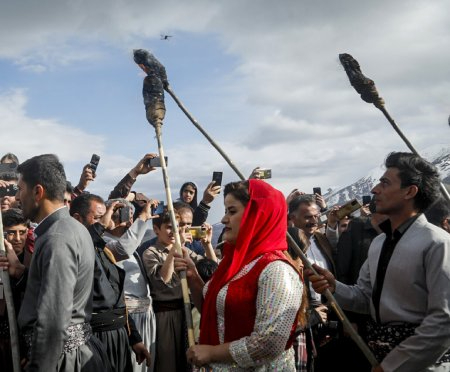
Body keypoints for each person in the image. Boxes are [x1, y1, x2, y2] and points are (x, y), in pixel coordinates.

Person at [308, 152, 450, 372]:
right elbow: (365, 298)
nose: (375, 190)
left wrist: (394, 365)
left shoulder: (438, 243)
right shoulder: (379, 243)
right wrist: (335, 287)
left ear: (410, 192)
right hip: (379, 358)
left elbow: (443, 321)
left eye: (385, 183)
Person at [175, 179, 304, 370]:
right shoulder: (233, 263)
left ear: (257, 215)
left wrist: (211, 352)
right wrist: (193, 276)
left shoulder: (276, 270)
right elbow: (216, 313)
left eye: (232, 211)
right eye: (226, 211)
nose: (224, 219)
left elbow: (269, 342)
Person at [1, 154, 109, 371]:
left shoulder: (56, 238)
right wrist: (23, 273)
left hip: (63, 361)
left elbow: (53, 320)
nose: (18, 197)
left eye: (20, 189)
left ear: (38, 192)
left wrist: (39, 364)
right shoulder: (69, 229)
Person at [70, 194, 152, 372]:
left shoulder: (104, 251)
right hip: (94, 339)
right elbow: (82, 241)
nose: (105, 222)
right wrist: (101, 226)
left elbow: (118, 300)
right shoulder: (73, 249)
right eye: (99, 218)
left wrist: (134, 338)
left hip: (119, 337)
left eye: (106, 216)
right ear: (77, 219)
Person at [0, 208, 32, 371]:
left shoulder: (35, 261)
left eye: (22, 232)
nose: (18, 239)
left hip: (25, 345)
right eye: (11, 233)